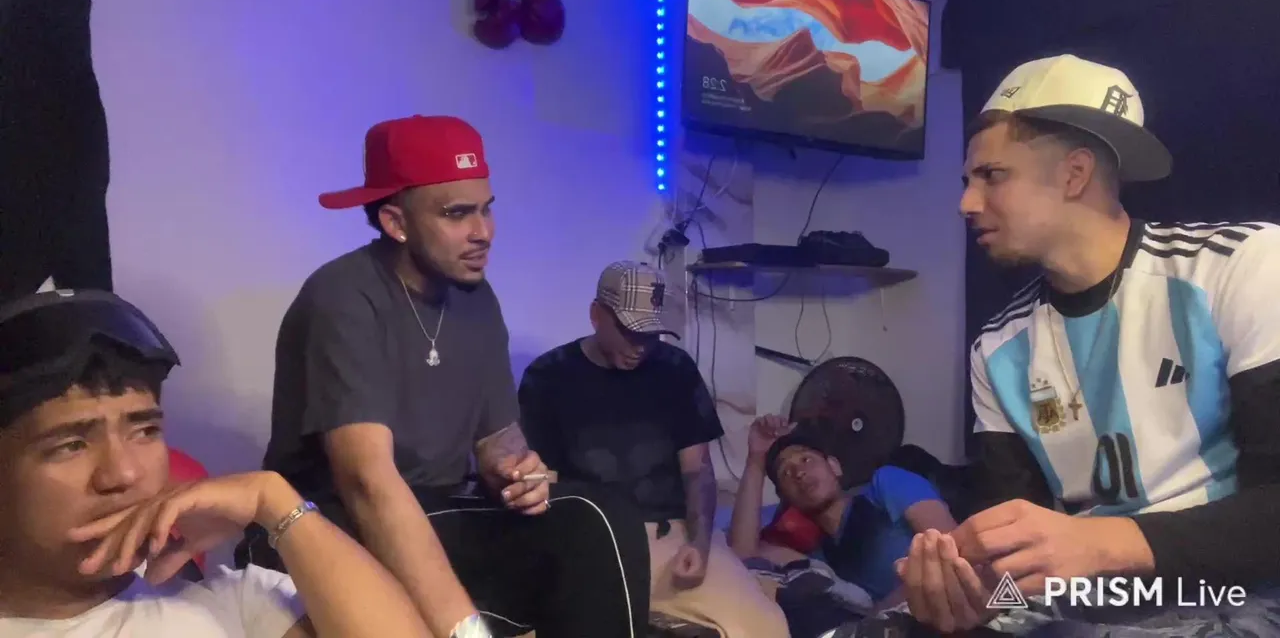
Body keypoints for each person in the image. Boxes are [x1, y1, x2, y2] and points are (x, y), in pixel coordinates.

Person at [888, 55, 1280, 636]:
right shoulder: (997, 347)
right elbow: (1013, 555)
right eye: (968, 182)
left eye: (991, 175)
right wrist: (971, 597)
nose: (966, 203)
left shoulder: (1243, 266)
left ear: (1074, 174)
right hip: (1080, 609)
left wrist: (1099, 543)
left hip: (1234, 597)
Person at [242, 115, 649, 638]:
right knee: (586, 521)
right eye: (457, 214)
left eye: (486, 209)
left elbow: (498, 442)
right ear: (396, 222)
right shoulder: (344, 296)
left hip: (437, 509)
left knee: (598, 514)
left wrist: (517, 472)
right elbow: (366, 483)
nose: (484, 233)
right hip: (323, 521)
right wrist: (465, 631)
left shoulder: (477, 300)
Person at [0, 289, 430, 638]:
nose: (124, 474)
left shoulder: (231, 604)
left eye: (145, 431)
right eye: (71, 445)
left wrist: (273, 501)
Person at [517, 261, 789, 638]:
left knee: (765, 626)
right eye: (630, 333)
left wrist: (699, 543)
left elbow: (697, 469)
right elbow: (542, 484)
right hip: (590, 541)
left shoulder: (675, 369)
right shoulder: (549, 376)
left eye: (650, 334)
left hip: (670, 539)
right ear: (596, 315)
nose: (640, 347)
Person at [728, 416, 958, 618]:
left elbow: (954, 548)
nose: (799, 473)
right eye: (785, 473)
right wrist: (756, 458)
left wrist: (877, 615)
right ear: (786, 499)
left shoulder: (886, 484)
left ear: (834, 466)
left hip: (951, 608)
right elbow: (743, 554)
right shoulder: (818, 561)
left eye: (806, 459)